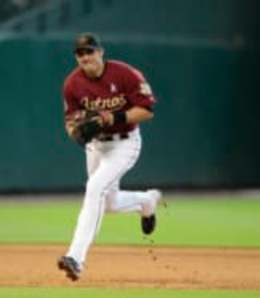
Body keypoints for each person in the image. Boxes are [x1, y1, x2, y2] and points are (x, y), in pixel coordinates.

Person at [57, 32, 162, 281]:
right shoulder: (72, 84)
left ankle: (75, 258)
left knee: (94, 188)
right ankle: (147, 201)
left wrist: (113, 118)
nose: (85, 57)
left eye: (89, 51)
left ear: (100, 52)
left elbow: (147, 111)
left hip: (124, 144)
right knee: (109, 203)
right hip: (96, 147)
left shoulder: (125, 74)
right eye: (80, 53)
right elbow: (71, 122)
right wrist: (75, 131)